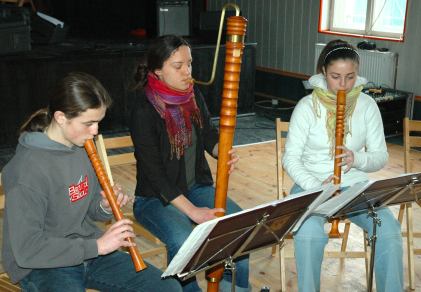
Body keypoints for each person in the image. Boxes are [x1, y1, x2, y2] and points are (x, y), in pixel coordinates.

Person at [1, 72, 182, 292]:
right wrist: (98, 246)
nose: (95, 131)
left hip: (89, 249)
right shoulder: (26, 171)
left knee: (167, 288)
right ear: (60, 118)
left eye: (98, 122)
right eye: (89, 123)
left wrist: (103, 206)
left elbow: (89, 207)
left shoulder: (80, 146)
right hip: (42, 264)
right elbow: (28, 249)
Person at [130, 35, 250, 292]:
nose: (187, 72)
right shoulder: (143, 109)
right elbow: (155, 175)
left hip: (197, 187)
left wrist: (221, 150)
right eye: (178, 66)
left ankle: (233, 288)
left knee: (241, 228)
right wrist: (193, 212)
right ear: (157, 71)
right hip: (155, 198)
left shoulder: (192, 93)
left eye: (190, 63)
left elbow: (207, 133)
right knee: (185, 241)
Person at [283, 39, 403, 292]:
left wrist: (356, 159)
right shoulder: (307, 107)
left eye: (350, 77)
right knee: (309, 234)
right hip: (312, 185)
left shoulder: (367, 105)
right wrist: (317, 185)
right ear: (323, 73)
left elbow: (380, 156)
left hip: (354, 185)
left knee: (388, 229)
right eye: (336, 77)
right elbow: (290, 159)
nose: (344, 85)